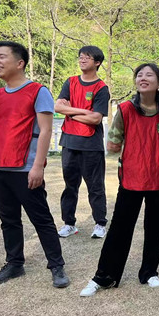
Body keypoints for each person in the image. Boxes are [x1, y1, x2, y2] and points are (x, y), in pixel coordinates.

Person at [0, 41, 70, 288]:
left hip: (25, 168)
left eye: (2, 57)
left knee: (41, 219)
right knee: (8, 219)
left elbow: (45, 130)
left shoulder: (38, 91)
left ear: (19, 63)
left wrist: (38, 166)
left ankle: (57, 266)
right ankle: (14, 264)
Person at [80, 63, 159, 296]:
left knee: (155, 227)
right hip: (131, 178)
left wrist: (156, 160)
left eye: (149, 75)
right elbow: (113, 145)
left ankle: (149, 272)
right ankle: (104, 277)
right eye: (139, 75)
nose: (143, 78)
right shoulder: (125, 110)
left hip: (158, 178)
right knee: (120, 228)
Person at [55, 46, 109, 239]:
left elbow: (95, 119)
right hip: (69, 142)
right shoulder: (70, 82)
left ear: (97, 63)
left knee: (95, 186)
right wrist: (84, 111)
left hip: (91, 145)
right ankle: (69, 223)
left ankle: (100, 223)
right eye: (80, 57)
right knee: (70, 186)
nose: (82, 60)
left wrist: (73, 111)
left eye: (87, 57)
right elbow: (57, 106)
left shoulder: (101, 88)